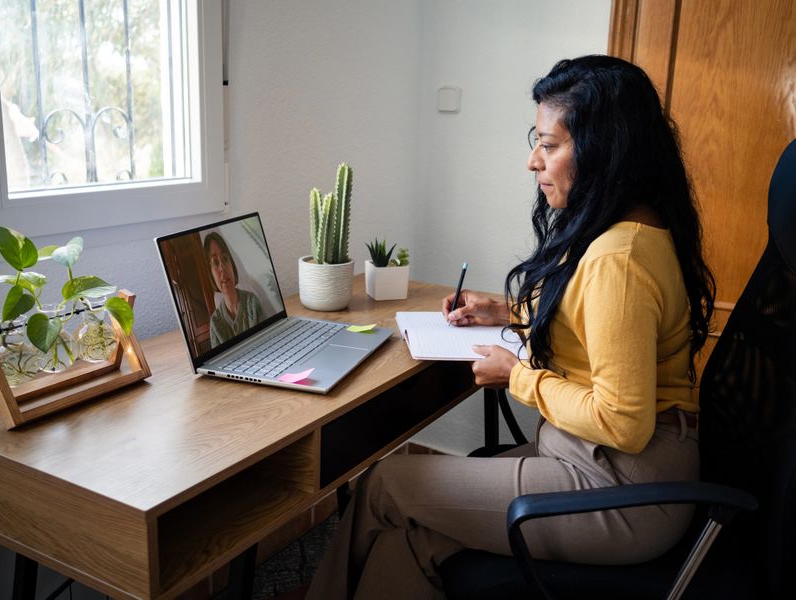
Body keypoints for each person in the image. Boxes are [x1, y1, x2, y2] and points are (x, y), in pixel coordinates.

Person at [305, 55, 715, 600]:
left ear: (603, 150)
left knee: (384, 485)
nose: (532, 161)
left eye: (549, 145)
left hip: (624, 488)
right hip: (605, 463)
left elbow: (622, 425)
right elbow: (595, 323)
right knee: (414, 538)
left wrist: (518, 376)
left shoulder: (621, 258)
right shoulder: (630, 227)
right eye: (536, 141)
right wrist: (510, 314)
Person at [203, 232, 266, 346]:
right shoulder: (215, 324)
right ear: (210, 274)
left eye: (225, 258)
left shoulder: (252, 303)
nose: (222, 267)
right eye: (215, 263)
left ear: (231, 264)